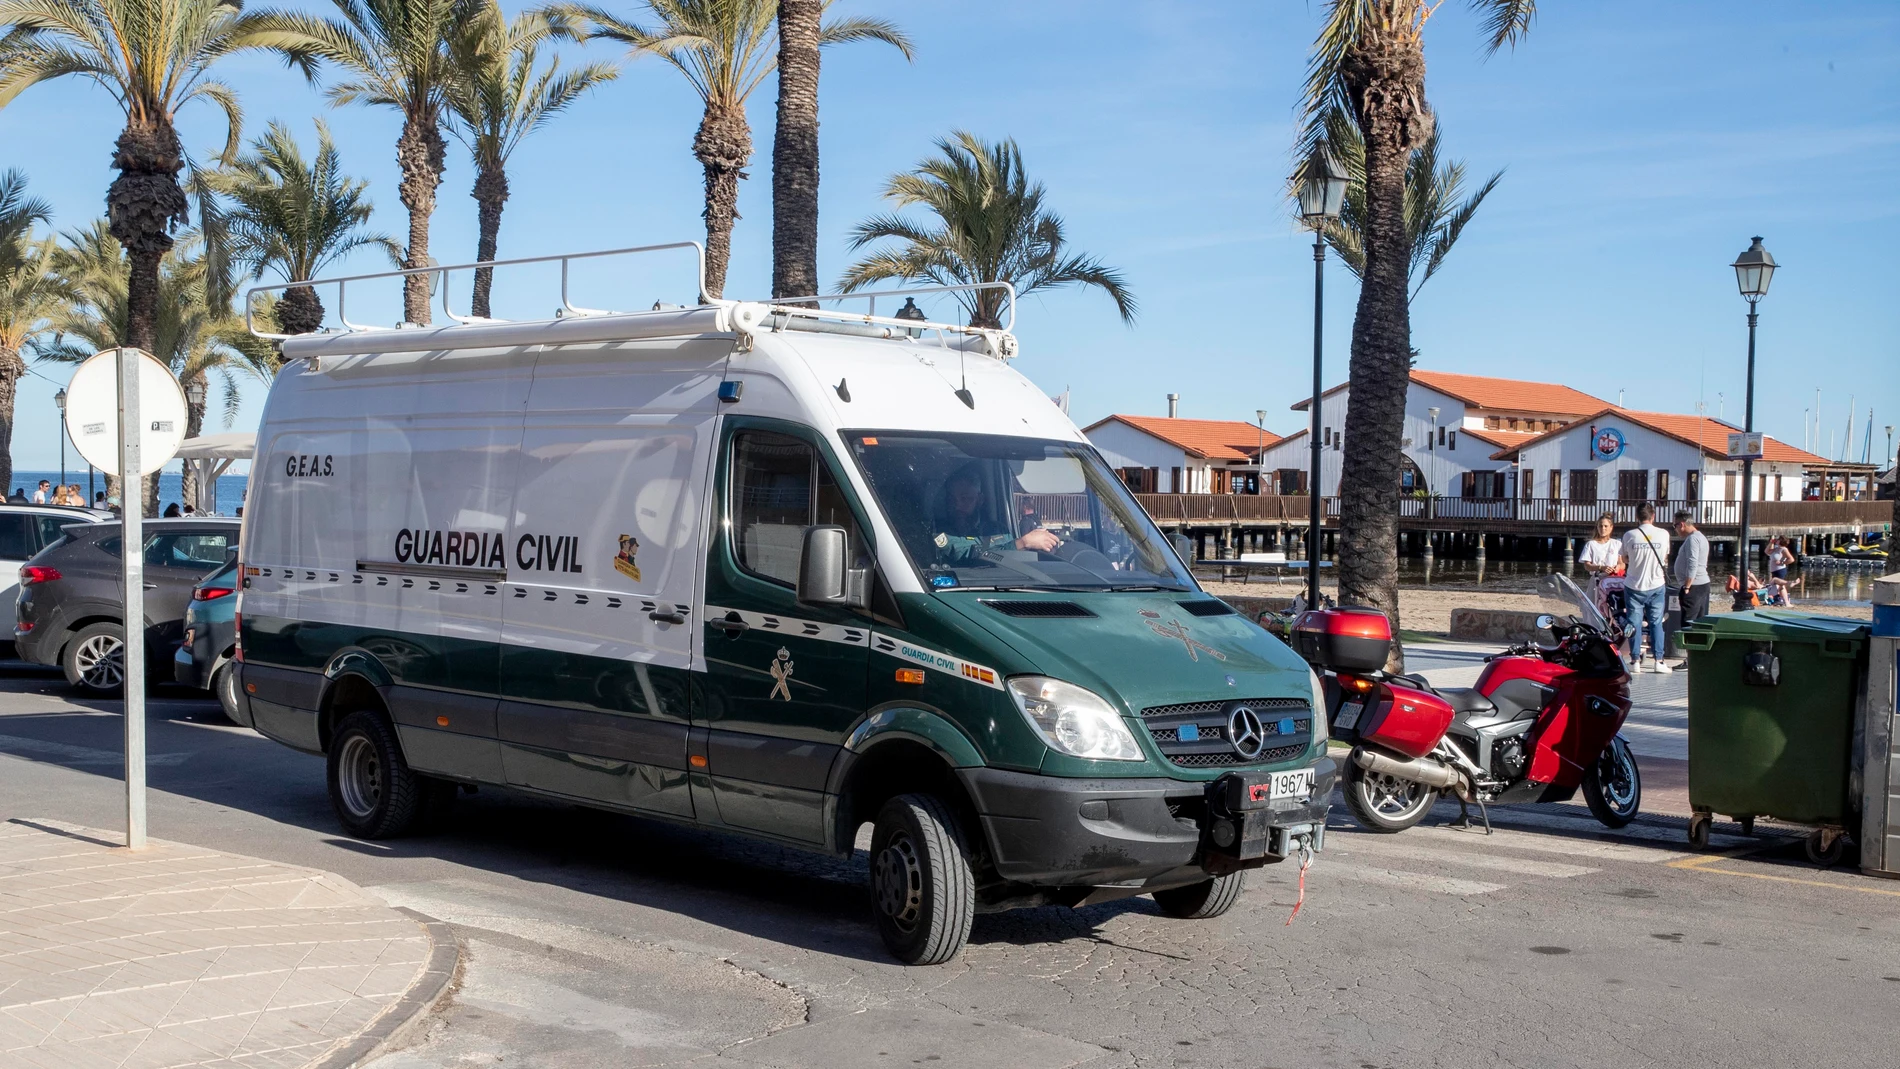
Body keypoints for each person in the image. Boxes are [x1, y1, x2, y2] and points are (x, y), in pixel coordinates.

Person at [931, 464, 1059, 565]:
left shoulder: (998, 529)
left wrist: (1044, 545)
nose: (957, 505)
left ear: (980, 500)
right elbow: (967, 556)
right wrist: (1022, 543)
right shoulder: (940, 532)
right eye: (951, 499)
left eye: (965, 499)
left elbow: (1014, 561)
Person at [1621, 501, 1672, 673]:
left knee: (1633, 623)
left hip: (1634, 584)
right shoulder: (1663, 534)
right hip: (1656, 584)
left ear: (1637, 517)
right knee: (1656, 622)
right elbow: (1665, 556)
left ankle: (1635, 660)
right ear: (1653, 516)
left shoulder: (1629, 535)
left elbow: (1625, 558)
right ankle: (1659, 660)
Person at [1672, 510, 1710, 668]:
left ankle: (1690, 660)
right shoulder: (1701, 537)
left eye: (1675, 525)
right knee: (1700, 622)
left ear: (1682, 524)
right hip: (1702, 584)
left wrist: (1687, 586)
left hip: (1694, 587)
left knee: (1689, 623)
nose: (1674, 529)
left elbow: (1693, 563)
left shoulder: (1692, 540)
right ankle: (1699, 658)